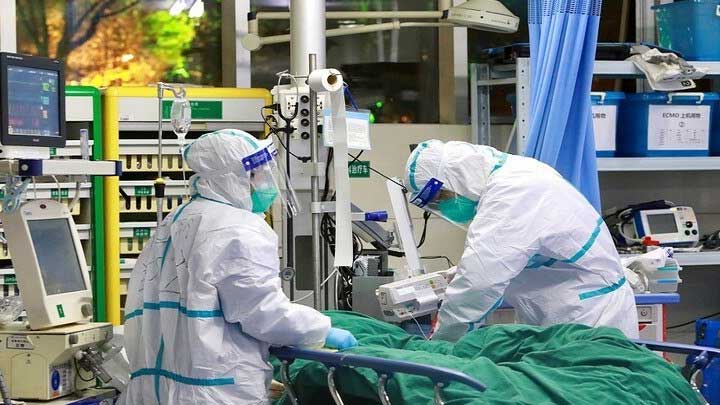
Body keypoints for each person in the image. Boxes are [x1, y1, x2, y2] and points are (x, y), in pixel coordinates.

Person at [123, 129, 357, 404]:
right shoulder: (239, 228)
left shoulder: (180, 217)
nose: (268, 182)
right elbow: (262, 312)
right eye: (259, 174)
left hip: (157, 388)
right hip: (215, 392)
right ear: (234, 177)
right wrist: (321, 330)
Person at [405, 139, 639, 342]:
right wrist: (459, 274)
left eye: (441, 197)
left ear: (457, 175)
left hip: (589, 319)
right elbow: (522, 251)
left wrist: (441, 343)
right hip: (570, 314)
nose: (443, 206)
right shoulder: (516, 173)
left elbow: (479, 283)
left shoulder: (512, 192)